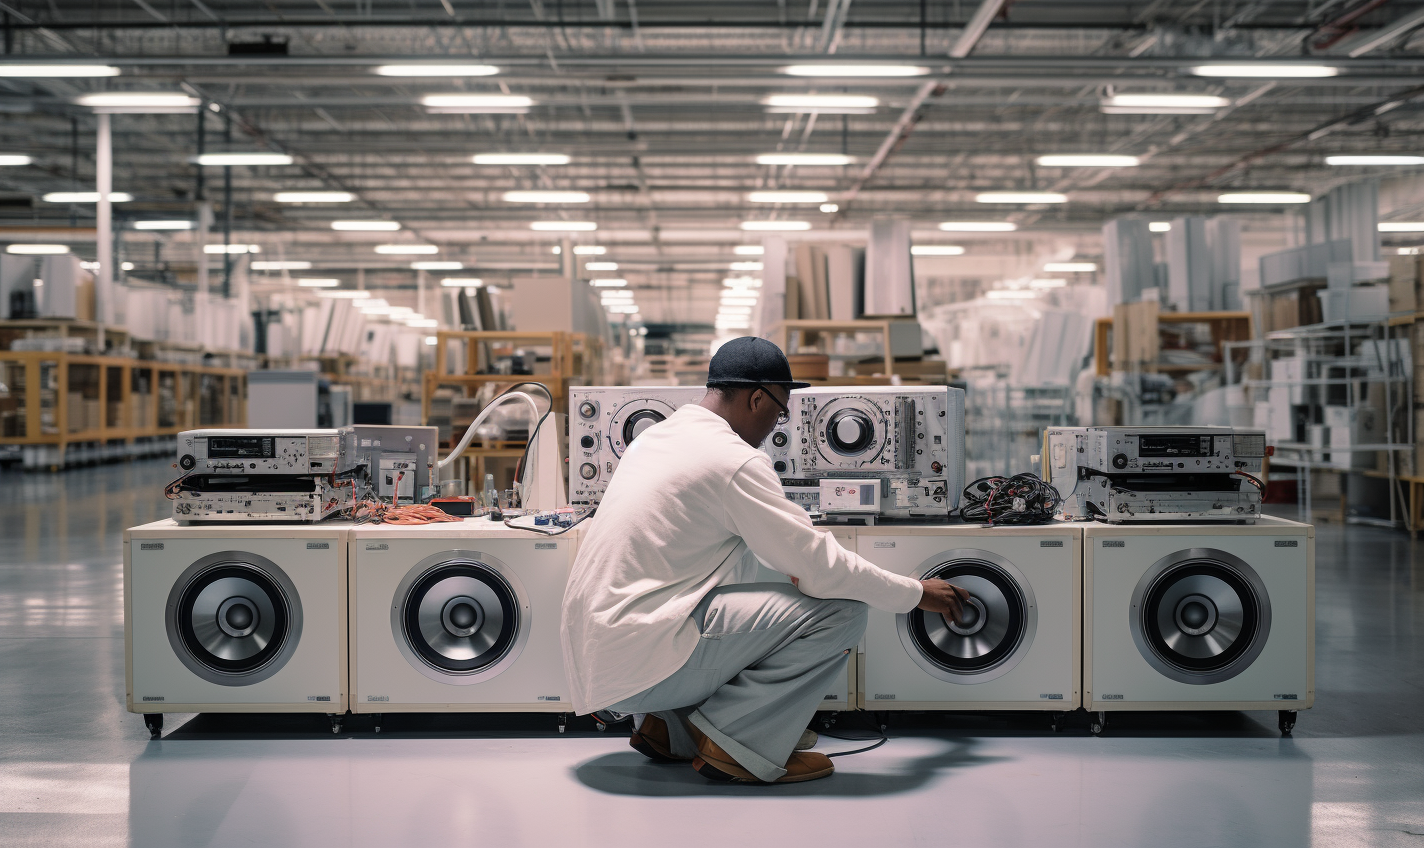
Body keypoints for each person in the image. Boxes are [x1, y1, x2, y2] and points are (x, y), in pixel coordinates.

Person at [560, 336, 970, 784]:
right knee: (842, 612)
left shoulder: (657, 438)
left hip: (597, 657)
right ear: (757, 398)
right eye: (780, 411)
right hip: (636, 660)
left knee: (730, 578)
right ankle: (736, 745)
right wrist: (914, 592)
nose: (778, 423)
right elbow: (820, 569)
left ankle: (668, 726)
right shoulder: (732, 460)